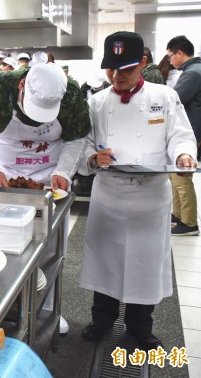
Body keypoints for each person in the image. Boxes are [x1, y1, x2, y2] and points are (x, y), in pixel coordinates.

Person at [0, 63, 91, 335]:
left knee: (49, 249)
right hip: (4, 177)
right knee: (0, 246)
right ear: (22, 86)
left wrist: (63, 172)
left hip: (49, 180)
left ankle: (47, 313)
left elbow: (77, 136)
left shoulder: (69, 91)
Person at [78, 31, 197, 350]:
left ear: (143, 63)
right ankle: (101, 320)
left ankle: (140, 327)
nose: (116, 76)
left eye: (125, 69)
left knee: (144, 267)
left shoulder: (164, 96)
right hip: (109, 196)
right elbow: (83, 144)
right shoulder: (97, 101)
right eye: (110, 69)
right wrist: (92, 156)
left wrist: (184, 154)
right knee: (106, 262)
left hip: (149, 198)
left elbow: (180, 136)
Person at [167, 35, 201, 235]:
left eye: (171, 55)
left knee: (181, 177)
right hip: (193, 129)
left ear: (180, 53)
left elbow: (173, 99)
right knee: (176, 175)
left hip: (189, 131)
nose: (170, 60)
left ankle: (189, 223)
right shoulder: (194, 70)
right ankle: (178, 214)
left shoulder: (193, 73)